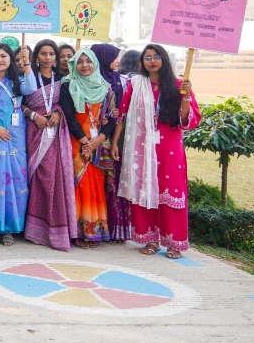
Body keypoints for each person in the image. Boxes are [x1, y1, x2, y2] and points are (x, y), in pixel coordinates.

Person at [116, 44, 200, 258]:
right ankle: (150, 239)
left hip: (169, 147)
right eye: (147, 57)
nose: (152, 61)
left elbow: (186, 120)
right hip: (141, 146)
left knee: (171, 192)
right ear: (142, 62)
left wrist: (186, 96)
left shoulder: (179, 85)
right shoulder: (136, 84)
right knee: (144, 189)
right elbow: (122, 114)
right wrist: (115, 141)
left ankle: (174, 242)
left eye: (157, 56)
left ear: (164, 59)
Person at [0, 42, 36, 245]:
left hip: (15, 136)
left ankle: (12, 225)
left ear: (10, 59)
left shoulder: (17, 80)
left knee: (16, 178)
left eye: (3, 56)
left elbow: (32, 87)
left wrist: (26, 62)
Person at [21, 39, 76, 251]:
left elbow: (67, 106)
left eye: (51, 54)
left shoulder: (63, 79)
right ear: (36, 56)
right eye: (43, 53)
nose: (47, 57)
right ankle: (32, 228)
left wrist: (57, 112)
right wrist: (33, 115)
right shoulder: (29, 77)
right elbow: (20, 103)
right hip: (34, 130)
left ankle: (52, 228)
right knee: (36, 178)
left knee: (53, 178)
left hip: (54, 133)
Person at [60, 49, 114, 247]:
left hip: (97, 143)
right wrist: (85, 143)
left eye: (88, 61)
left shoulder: (105, 88)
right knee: (78, 184)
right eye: (80, 61)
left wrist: (97, 141)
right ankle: (77, 231)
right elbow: (68, 116)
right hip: (75, 142)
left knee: (95, 185)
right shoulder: (68, 85)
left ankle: (93, 230)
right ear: (74, 65)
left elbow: (112, 117)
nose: (84, 65)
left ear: (95, 64)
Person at [92, 42, 130, 241]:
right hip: (89, 137)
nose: (117, 61)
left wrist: (114, 142)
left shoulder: (118, 81)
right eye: (114, 57)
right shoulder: (89, 79)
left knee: (111, 182)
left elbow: (119, 115)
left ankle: (112, 229)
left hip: (110, 138)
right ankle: (95, 225)